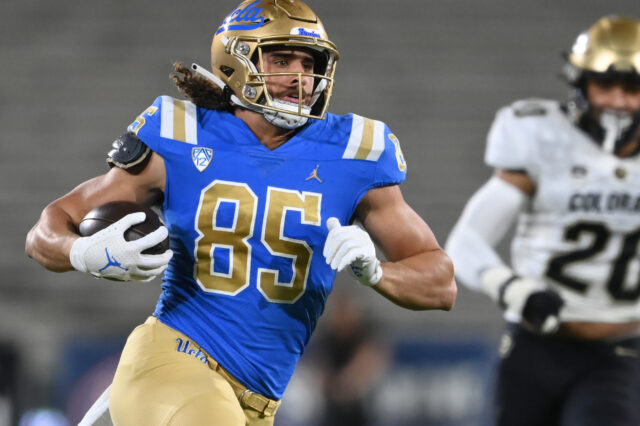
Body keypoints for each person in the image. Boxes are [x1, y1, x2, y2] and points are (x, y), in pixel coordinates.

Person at [25, 1, 457, 424]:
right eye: (283, 59)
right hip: (175, 360)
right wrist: (83, 252)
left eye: (309, 64)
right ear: (236, 63)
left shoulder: (356, 151)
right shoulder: (182, 133)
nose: (301, 77)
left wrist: (377, 272)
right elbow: (46, 230)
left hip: (256, 401)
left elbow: (441, 285)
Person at [445, 15, 640, 426]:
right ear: (581, 85)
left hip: (619, 352)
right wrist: (515, 289)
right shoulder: (540, 135)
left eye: (633, 88)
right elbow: (464, 243)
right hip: (533, 345)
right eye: (606, 85)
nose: (619, 101)